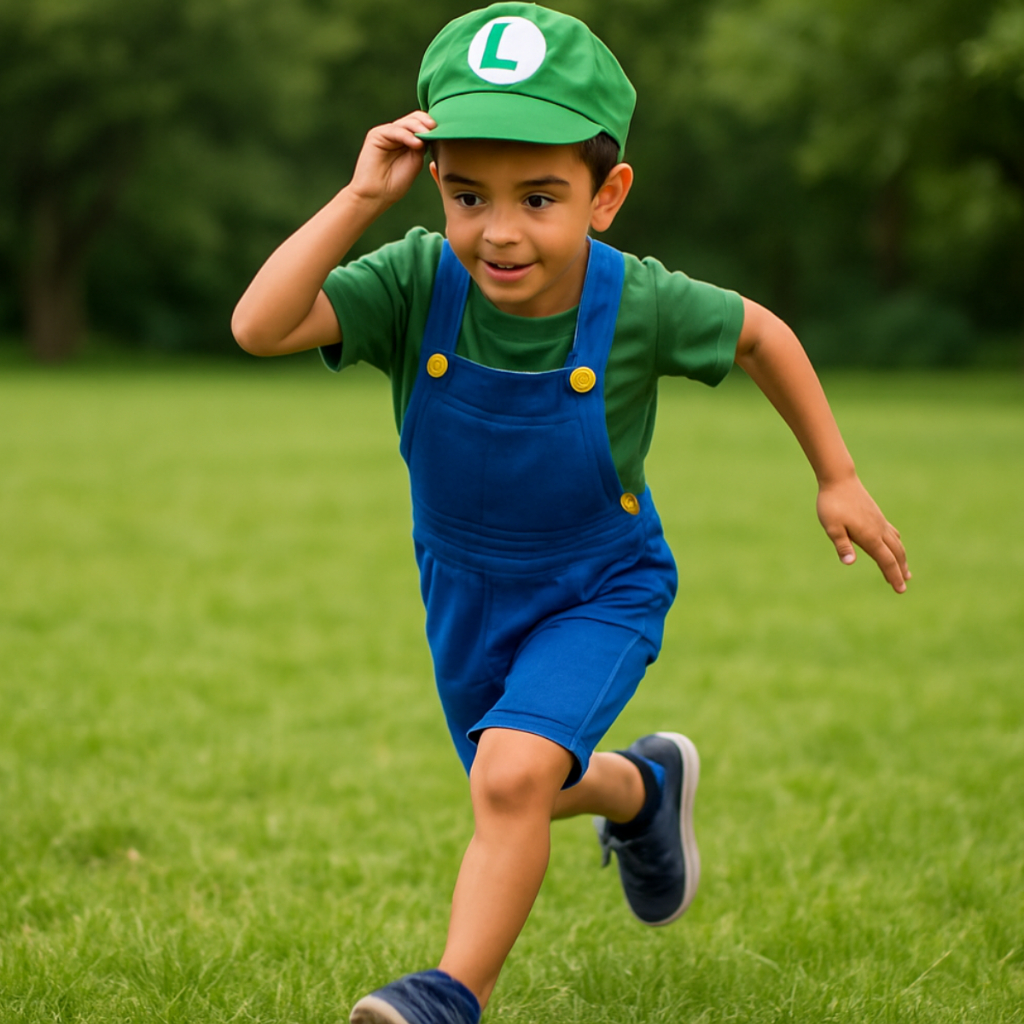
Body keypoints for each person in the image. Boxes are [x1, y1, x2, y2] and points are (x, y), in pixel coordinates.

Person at [232, 4, 910, 1022]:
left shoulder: (638, 302)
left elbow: (763, 336)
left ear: (607, 194)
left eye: (538, 196)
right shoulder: (417, 281)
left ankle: (447, 995)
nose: (498, 231)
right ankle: (642, 792)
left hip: (602, 582)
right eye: (467, 194)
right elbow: (259, 324)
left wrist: (837, 474)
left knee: (508, 780)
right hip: (462, 590)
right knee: (526, 786)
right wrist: (361, 195)